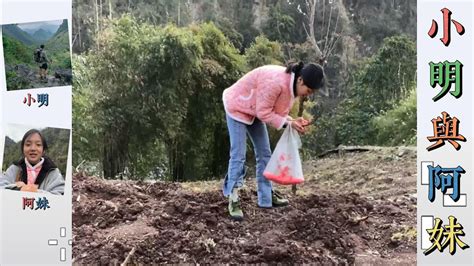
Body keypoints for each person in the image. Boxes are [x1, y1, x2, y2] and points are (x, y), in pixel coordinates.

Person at [222, 62, 325, 220]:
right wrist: (288, 122)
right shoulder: (276, 82)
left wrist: (292, 121)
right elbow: (264, 113)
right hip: (237, 106)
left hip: (254, 110)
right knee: (238, 154)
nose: (307, 94)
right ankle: (233, 197)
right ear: (301, 80)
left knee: (264, 153)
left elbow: (275, 112)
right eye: (308, 90)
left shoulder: (291, 88)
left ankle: (266, 197)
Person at [0, 129, 65, 195]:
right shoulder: (14, 169)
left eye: (38, 145)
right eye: (28, 144)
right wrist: (18, 188)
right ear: (23, 149)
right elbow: (2, 186)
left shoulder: (53, 172)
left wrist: (32, 190)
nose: (33, 148)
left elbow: (59, 194)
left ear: (44, 150)